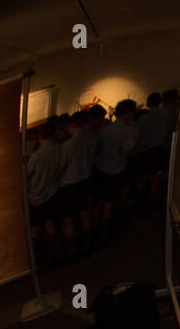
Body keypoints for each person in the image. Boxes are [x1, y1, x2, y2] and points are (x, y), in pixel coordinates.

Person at [92, 98, 139, 241]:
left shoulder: (104, 128)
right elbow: (126, 152)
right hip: (116, 169)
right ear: (129, 112)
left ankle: (95, 230)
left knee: (100, 200)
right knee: (110, 201)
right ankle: (104, 233)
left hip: (101, 167)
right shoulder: (129, 129)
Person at [56, 111, 94, 259]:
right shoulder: (89, 137)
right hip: (84, 179)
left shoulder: (68, 144)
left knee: (68, 218)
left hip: (70, 183)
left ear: (71, 126)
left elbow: (61, 167)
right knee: (84, 212)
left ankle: (72, 251)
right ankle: (87, 245)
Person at [25, 122, 61, 266]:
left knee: (38, 226)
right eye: (31, 140)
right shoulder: (57, 149)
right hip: (50, 192)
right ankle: (50, 254)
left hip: (38, 195)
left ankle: (38, 257)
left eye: (35, 139)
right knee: (48, 223)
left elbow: (28, 175)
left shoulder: (36, 156)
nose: (34, 142)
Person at [135, 92, 171, 206]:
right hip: (162, 147)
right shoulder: (166, 114)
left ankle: (150, 197)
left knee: (150, 173)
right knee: (160, 173)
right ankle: (157, 196)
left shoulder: (143, 118)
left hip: (148, 148)